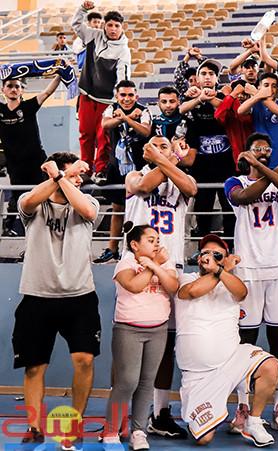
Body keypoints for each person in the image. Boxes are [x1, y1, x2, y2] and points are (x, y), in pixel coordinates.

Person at [12, 152, 100, 450]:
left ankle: (74, 423)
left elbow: (87, 212)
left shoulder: (88, 202)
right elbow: (28, 202)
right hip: (37, 296)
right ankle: (34, 426)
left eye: (79, 175)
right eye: (75, 174)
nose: (79, 179)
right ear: (54, 175)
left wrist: (62, 174)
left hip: (80, 297)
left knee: (84, 360)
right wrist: (60, 177)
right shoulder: (33, 202)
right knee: (34, 366)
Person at [223, 133, 278, 434]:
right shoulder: (235, 181)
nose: (264, 152)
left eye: (267, 149)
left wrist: (273, 171)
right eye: (257, 149)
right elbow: (243, 198)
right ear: (246, 155)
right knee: (246, 341)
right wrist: (277, 168)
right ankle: (243, 405)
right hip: (248, 271)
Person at [124, 136, 197, 440]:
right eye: (153, 146)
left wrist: (168, 160)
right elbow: (144, 186)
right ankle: (124, 415)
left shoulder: (180, 178)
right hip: (138, 267)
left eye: (164, 145)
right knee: (132, 345)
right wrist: (171, 156)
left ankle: (161, 413)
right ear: (145, 152)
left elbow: (191, 189)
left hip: (170, 267)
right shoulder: (134, 175)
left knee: (165, 347)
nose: (158, 149)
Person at [176, 234, 278, 447]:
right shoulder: (187, 278)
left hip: (231, 362)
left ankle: (254, 422)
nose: (209, 257)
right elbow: (193, 292)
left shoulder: (231, 283)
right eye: (205, 253)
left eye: (216, 255)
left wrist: (221, 271)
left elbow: (242, 292)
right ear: (198, 258)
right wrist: (220, 269)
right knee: (204, 439)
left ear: (225, 260)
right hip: (198, 376)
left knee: (271, 366)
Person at [101, 224, 179, 450]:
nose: (156, 244)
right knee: (126, 382)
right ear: (135, 245)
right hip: (129, 329)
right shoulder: (126, 263)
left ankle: (138, 431)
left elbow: (173, 286)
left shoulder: (164, 262)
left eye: (157, 240)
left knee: (147, 383)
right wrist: (154, 267)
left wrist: (155, 265)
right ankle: (111, 431)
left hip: (158, 329)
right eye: (150, 240)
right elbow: (134, 285)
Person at [72, 1, 130, 180]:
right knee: (85, 134)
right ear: (104, 25)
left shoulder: (124, 50)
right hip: (87, 95)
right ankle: (86, 169)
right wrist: (82, 9)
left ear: (122, 28)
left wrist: (119, 101)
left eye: (117, 26)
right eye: (110, 25)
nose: (113, 29)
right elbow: (76, 25)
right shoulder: (93, 35)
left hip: (107, 101)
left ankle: (101, 170)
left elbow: (123, 78)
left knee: (104, 137)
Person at [95, 80, 151, 264]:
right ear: (117, 96)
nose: (127, 99)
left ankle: (139, 250)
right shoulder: (111, 108)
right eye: (123, 95)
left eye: (130, 95)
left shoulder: (144, 110)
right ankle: (112, 249)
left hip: (139, 167)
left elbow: (145, 131)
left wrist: (126, 119)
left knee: (141, 209)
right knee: (117, 208)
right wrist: (125, 118)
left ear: (136, 96)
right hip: (117, 167)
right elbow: (105, 125)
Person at [181, 58, 235, 241]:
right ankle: (202, 244)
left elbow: (227, 109)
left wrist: (209, 98)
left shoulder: (223, 95)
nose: (207, 77)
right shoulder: (191, 95)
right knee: (203, 205)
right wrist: (198, 98)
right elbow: (181, 109)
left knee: (229, 204)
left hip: (226, 160)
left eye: (211, 74)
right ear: (197, 78)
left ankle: (230, 244)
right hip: (202, 162)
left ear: (217, 78)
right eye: (203, 73)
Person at [0, 75, 61, 237]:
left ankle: (48, 232)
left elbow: (47, 92)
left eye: (17, 86)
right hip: (15, 165)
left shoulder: (29, 107)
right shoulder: (1, 111)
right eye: (10, 86)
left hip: (36, 162)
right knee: (20, 199)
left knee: (43, 197)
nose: (14, 89)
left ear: (22, 90)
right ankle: (14, 229)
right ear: (3, 90)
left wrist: (60, 74)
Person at [237, 72, 278, 168]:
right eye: (266, 85)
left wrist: (256, 93)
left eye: (274, 86)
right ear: (259, 87)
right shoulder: (255, 104)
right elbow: (240, 111)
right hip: (260, 158)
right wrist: (258, 95)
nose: (270, 89)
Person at [214, 79, 255, 163]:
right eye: (237, 94)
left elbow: (242, 116)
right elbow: (218, 116)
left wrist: (231, 96)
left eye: (244, 94)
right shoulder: (229, 113)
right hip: (236, 159)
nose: (240, 96)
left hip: (256, 157)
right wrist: (231, 96)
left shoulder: (255, 110)